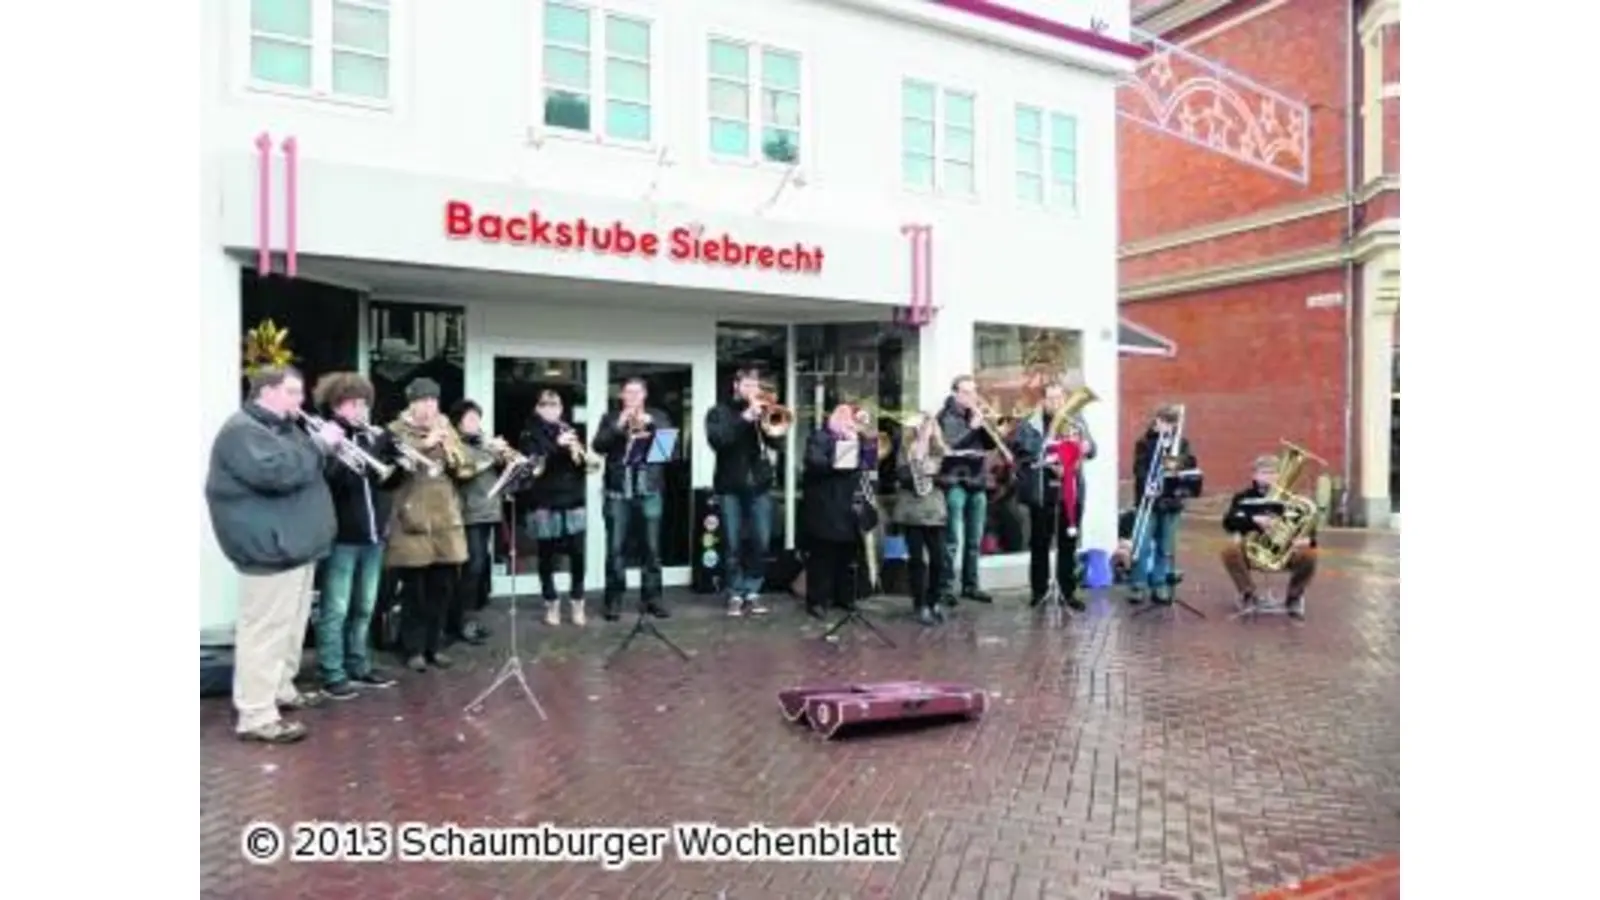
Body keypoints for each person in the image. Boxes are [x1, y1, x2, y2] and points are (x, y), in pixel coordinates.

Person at [205, 365, 339, 743]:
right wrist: (318, 445)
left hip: (295, 547)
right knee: (264, 631)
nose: (301, 401)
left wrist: (321, 448)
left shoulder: (284, 428)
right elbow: (276, 474)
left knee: (291, 627)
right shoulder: (242, 432)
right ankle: (256, 714)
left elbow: (305, 470)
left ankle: (281, 688)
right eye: (293, 393)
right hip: (269, 549)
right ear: (266, 392)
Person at [310, 372, 400, 701]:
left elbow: (388, 482)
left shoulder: (372, 436)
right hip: (343, 537)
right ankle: (332, 672)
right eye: (353, 403)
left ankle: (359, 664)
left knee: (365, 607)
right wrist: (349, 449)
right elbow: (331, 480)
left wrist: (392, 456)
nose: (360, 409)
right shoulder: (324, 434)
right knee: (336, 608)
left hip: (374, 536)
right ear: (336, 405)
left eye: (364, 402)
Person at [385, 377, 479, 673]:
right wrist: (426, 445)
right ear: (411, 404)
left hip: (445, 520)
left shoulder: (446, 427)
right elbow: (396, 469)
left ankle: (434, 645)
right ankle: (412, 649)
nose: (430, 407)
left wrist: (454, 454)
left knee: (443, 588)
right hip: (413, 519)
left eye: (433, 402)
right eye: (424, 401)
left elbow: (463, 468)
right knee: (415, 590)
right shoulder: (396, 431)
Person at [592, 377, 674, 621]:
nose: (632, 397)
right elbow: (598, 446)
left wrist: (652, 424)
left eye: (637, 392)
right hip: (619, 492)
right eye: (628, 393)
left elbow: (669, 448)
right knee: (616, 549)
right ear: (622, 396)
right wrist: (618, 425)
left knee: (652, 548)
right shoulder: (610, 418)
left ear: (645, 395)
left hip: (649, 490)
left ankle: (652, 598)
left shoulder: (658, 415)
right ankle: (614, 599)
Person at [705, 368, 785, 617]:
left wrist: (766, 422)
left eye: (756, 385)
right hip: (730, 487)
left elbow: (778, 442)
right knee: (732, 543)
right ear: (736, 385)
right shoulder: (719, 412)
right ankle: (735, 593)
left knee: (761, 541)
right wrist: (745, 418)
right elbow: (719, 441)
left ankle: (753, 591)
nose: (753, 390)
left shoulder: (765, 408)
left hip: (759, 486)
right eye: (747, 384)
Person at [1009, 382, 1095, 611]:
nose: (1057, 403)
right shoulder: (1031, 423)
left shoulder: (1075, 419)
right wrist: (1047, 450)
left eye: (1060, 398)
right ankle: (1039, 591)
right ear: (1043, 401)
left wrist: (1085, 447)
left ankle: (1068, 592)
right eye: (1052, 399)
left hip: (1070, 491)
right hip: (1042, 491)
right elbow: (1019, 447)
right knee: (1040, 544)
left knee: (1068, 544)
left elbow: (1093, 449)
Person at [519, 389, 590, 627]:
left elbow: (582, 465)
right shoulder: (529, 433)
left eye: (555, 405)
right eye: (545, 404)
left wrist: (578, 452)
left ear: (561, 408)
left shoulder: (568, 429)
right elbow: (534, 464)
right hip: (545, 500)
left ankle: (578, 601)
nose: (551, 409)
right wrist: (558, 446)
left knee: (578, 554)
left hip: (572, 499)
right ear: (537, 408)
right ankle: (551, 602)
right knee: (547, 555)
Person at [1220, 454, 1319, 618]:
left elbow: (1310, 531)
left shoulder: (1292, 501)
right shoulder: (1243, 498)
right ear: (1255, 476)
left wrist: (1306, 540)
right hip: (1252, 551)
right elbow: (1228, 522)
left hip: (1284, 552)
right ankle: (1248, 594)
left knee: (1310, 554)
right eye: (1264, 472)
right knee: (1229, 550)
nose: (1269, 477)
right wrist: (1253, 520)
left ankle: (1294, 597)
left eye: (1274, 473)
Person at [801, 405, 874, 619]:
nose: (848, 421)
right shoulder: (820, 437)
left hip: (848, 505)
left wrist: (858, 438)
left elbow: (866, 463)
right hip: (825, 505)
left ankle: (845, 597)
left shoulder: (855, 438)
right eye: (842, 417)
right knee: (822, 556)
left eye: (849, 417)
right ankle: (818, 600)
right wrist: (846, 446)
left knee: (847, 556)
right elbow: (817, 463)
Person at [936, 375, 998, 604]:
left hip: (976, 481)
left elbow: (991, 444)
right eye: (967, 392)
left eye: (974, 391)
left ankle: (971, 585)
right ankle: (946, 587)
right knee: (952, 538)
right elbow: (949, 445)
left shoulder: (975, 414)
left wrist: (985, 427)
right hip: (954, 482)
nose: (972, 396)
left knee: (975, 538)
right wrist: (972, 429)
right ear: (955, 393)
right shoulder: (945, 416)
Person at [448, 398, 504, 647]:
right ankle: (461, 621)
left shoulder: (484, 442)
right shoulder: (456, 445)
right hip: (469, 513)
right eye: (470, 419)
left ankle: (471, 618)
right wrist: (491, 455)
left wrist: (504, 457)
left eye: (477, 418)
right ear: (458, 423)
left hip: (489, 511)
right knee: (472, 568)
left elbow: (497, 469)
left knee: (481, 570)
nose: (475, 423)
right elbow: (464, 471)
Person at [1128, 405, 1198, 605]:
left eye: (1170, 422)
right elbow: (1139, 468)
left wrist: (1175, 458)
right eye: (1162, 421)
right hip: (1148, 500)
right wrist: (1147, 485)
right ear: (1156, 421)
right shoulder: (1144, 443)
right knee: (1141, 545)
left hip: (1170, 502)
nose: (1165, 426)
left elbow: (1190, 463)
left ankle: (1159, 585)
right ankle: (1138, 585)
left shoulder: (1182, 443)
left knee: (1165, 547)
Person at [890, 412, 948, 625]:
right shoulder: (906, 449)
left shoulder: (940, 449)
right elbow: (901, 476)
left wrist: (936, 473)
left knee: (939, 559)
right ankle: (920, 603)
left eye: (929, 426)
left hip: (934, 510)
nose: (925, 430)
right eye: (921, 426)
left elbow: (954, 476)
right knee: (917, 560)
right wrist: (916, 464)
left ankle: (934, 600)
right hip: (912, 510)